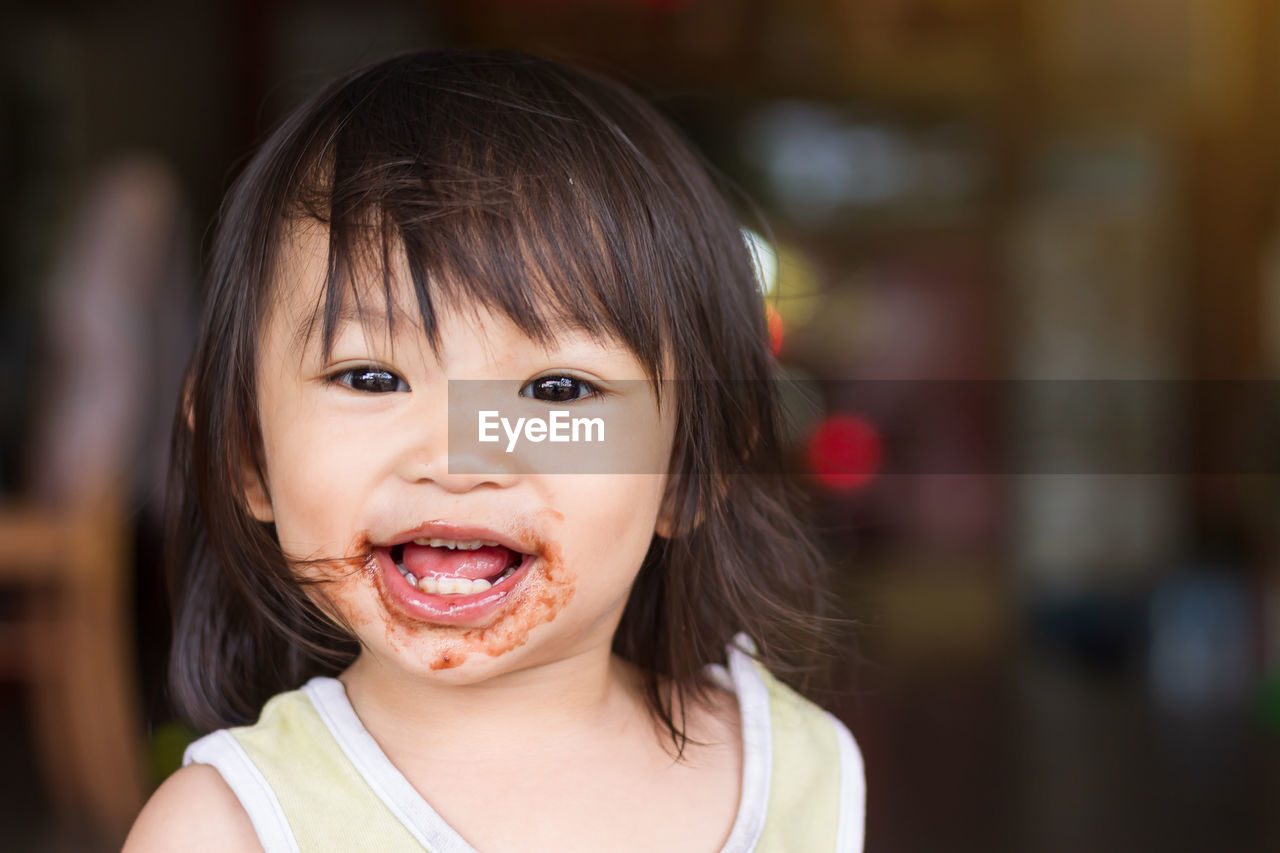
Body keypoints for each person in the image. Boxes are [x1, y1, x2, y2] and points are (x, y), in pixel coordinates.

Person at [124, 50, 864, 852]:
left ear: (690, 469)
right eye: (371, 376)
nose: (457, 457)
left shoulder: (799, 775)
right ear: (247, 452)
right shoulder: (224, 829)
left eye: (555, 390)